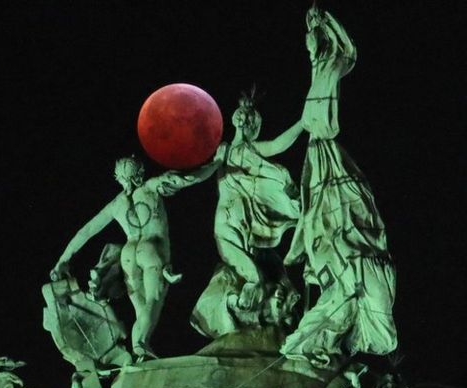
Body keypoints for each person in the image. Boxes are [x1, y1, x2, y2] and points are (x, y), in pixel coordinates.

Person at [281, 7, 398, 363]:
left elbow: (350, 51)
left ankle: (347, 256)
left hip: (328, 151)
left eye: (315, 41)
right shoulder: (316, 70)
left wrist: (326, 21)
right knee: (320, 217)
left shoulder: (333, 64)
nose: (310, 46)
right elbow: (301, 127)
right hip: (316, 154)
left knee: (345, 209)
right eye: (308, 42)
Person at [53, 156, 219, 358]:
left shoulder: (116, 204)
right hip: (151, 250)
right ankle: (140, 343)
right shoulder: (152, 186)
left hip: (128, 254)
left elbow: (86, 231)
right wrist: (216, 163)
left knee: (141, 310)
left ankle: (140, 349)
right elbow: (189, 178)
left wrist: (63, 260)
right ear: (140, 173)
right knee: (153, 300)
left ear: (118, 178)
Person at [191, 92, 304, 338]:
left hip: (248, 221)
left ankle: (250, 308)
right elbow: (209, 170)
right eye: (242, 117)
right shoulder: (224, 149)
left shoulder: (254, 148)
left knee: (253, 261)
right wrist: (189, 178)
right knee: (244, 266)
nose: (244, 121)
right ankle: (241, 302)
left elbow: (278, 145)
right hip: (227, 218)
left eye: (249, 119)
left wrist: (303, 123)